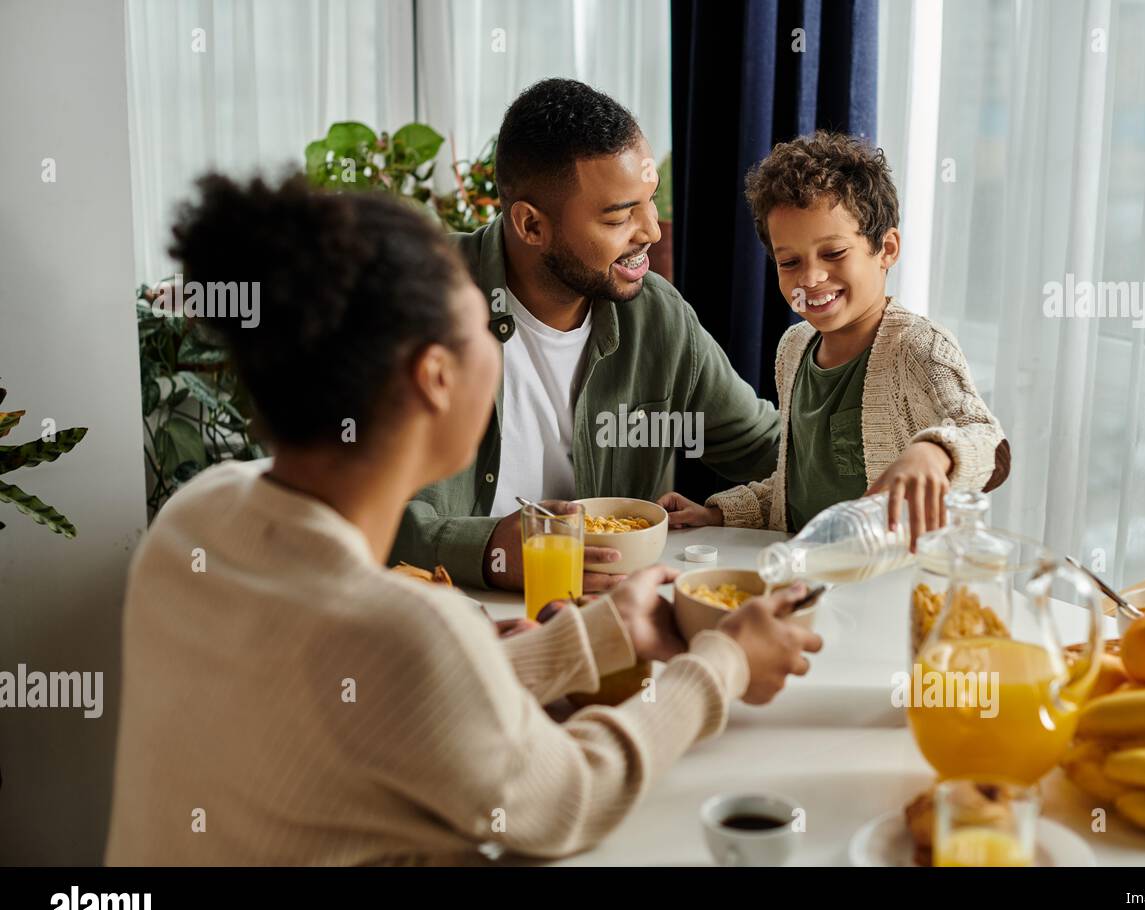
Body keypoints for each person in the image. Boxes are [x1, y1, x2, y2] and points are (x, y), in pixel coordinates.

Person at [104, 175, 821, 866]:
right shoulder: (404, 628)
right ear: (435, 377)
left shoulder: (192, 523)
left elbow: (391, 700)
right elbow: (569, 798)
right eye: (487, 326)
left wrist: (594, 637)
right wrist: (721, 664)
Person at [391, 78, 782, 593]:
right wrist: (488, 551)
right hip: (445, 632)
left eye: (649, 202)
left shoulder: (656, 317)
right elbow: (338, 506)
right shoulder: (413, 305)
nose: (652, 231)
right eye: (620, 216)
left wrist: (924, 449)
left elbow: (776, 452)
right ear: (531, 226)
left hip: (613, 630)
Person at [659, 132, 1010, 543]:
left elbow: (990, 445)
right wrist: (717, 513)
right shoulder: (793, 349)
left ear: (887, 249)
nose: (810, 278)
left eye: (834, 253)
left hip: (893, 583)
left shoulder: (917, 346)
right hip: (809, 578)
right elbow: (795, 486)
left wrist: (934, 453)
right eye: (789, 261)